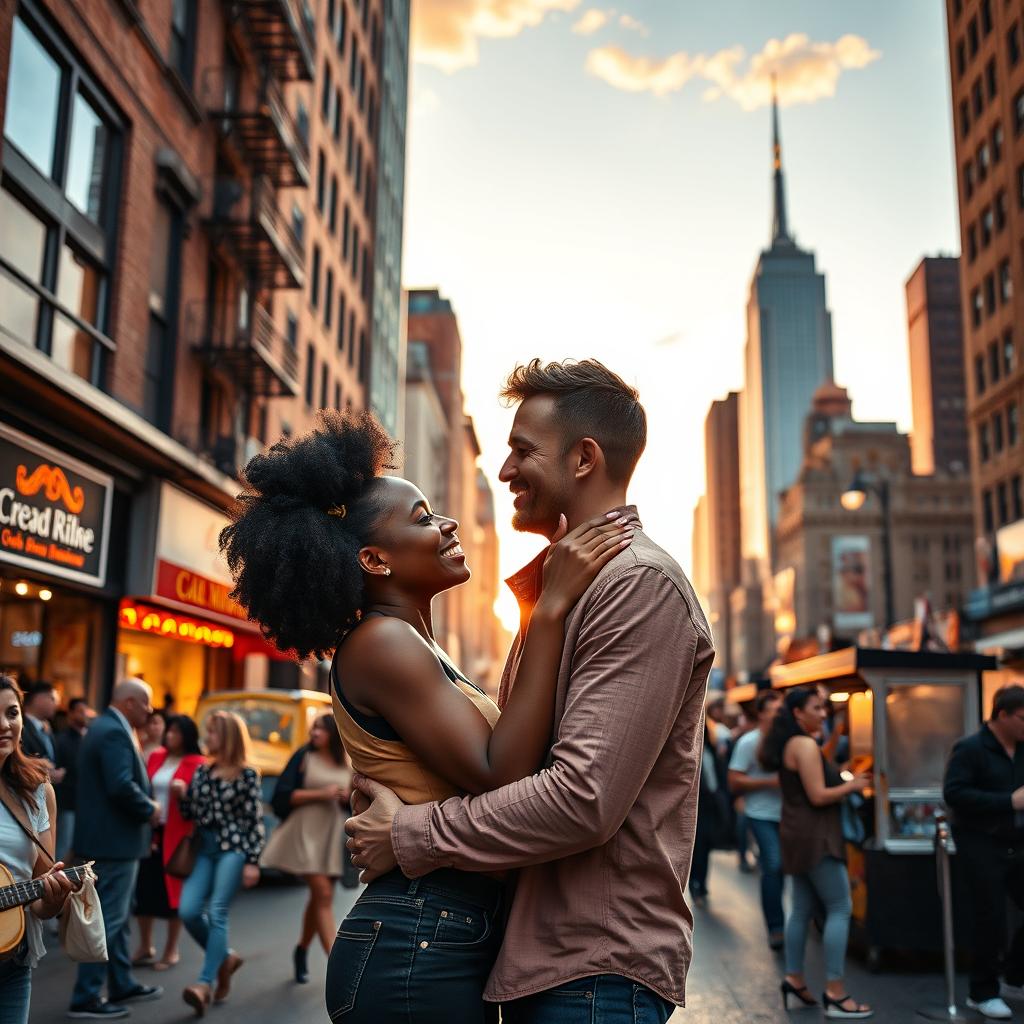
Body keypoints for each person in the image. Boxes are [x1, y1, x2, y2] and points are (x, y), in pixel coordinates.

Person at [217, 395, 643, 1024]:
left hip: (441, 933)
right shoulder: (382, 643)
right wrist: (550, 608)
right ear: (375, 559)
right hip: (417, 941)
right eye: (422, 519)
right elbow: (503, 772)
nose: (445, 524)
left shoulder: (409, 644)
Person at [340, 360, 716, 1023]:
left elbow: (580, 798)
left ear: (583, 459)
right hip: (542, 962)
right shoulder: (564, 594)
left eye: (521, 451)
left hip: (595, 971)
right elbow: (513, 770)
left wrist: (412, 831)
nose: (505, 472)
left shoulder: (636, 585)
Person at [759, 686, 872, 1019]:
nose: (823, 713)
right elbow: (819, 794)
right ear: (798, 713)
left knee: (803, 907)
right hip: (816, 837)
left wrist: (833, 737)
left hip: (796, 834)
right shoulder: (804, 745)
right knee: (840, 906)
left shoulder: (796, 743)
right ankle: (836, 993)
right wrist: (852, 785)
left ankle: (795, 979)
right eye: (817, 708)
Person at [69, 678, 164, 1019]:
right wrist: (151, 809)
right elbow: (121, 786)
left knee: (117, 917)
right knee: (107, 919)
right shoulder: (113, 731)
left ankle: (121, 982)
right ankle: (87, 998)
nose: (150, 710)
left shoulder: (108, 726)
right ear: (128, 703)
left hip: (111, 840)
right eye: (146, 703)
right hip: (114, 842)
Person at [175, 710, 265, 1016]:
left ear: (225, 737)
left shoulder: (247, 775)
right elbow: (192, 815)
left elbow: (254, 822)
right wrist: (181, 797)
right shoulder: (202, 771)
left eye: (212, 732)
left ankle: (204, 983)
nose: (207, 738)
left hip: (234, 849)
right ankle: (225, 958)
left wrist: (253, 861)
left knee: (217, 912)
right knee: (188, 910)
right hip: (205, 849)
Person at [943, 683, 1024, 1021]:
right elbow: (955, 794)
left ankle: (1014, 975)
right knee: (989, 917)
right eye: (1022, 718)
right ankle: (982, 991)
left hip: (1018, 841)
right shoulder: (970, 748)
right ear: (1002, 715)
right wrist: (1007, 802)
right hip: (980, 841)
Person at [0, 675, 76, 1024]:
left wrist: (54, 898)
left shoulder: (37, 791)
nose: (5, 725)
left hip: (12, 958)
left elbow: (40, 901)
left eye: (12, 712)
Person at [261, 713, 353, 982]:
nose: (314, 733)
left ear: (333, 735)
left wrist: (347, 797)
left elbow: (356, 801)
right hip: (304, 833)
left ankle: (301, 950)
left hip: (333, 836)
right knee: (323, 894)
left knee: (319, 898)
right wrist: (321, 794)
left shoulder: (346, 760)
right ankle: (340, 968)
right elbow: (283, 795)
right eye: (313, 728)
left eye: (320, 730)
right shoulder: (303, 757)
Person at [132, 715, 206, 972]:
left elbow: (200, 804)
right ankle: (145, 945)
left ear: (187, 735)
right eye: (170, 731)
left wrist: (185, 794)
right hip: (152, 832)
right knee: (145, 891)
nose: (170, 735)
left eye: (176, 731)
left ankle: (171, 949)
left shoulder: (198, 763)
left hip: (178, 835)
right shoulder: (156, 757)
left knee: (174, 893)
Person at [727, 689, 784, 948]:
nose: (779, 715)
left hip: (791, 815)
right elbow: (734, 780)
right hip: (760, 814)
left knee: (794, 868)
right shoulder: (748, 742)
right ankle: (775, 927)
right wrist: (768, 782)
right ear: (761, 713)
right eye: (775, 710)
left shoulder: (788, 739)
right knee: (772, 864)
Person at [690, 714, 729, 906]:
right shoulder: (691, 752)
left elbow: (718, 776)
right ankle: (694, 886)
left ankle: (702, 884)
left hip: (711, 805)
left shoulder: (711, 751)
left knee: (705, 848)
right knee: (696, 848)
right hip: (697, 806)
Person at [54, 696, 92, 864]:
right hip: (67, 803)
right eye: (80, 712)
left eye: (86, 711)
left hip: (86, 804)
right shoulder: (62, 740)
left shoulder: (89, 738)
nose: (85, 715)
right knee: (63, 847)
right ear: (71, 714)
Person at [20, 682, 65, 786]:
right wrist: (46, 775)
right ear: (39, 699)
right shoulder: (21, 728)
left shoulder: (46, 728)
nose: (57, 704)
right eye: (52, 699)